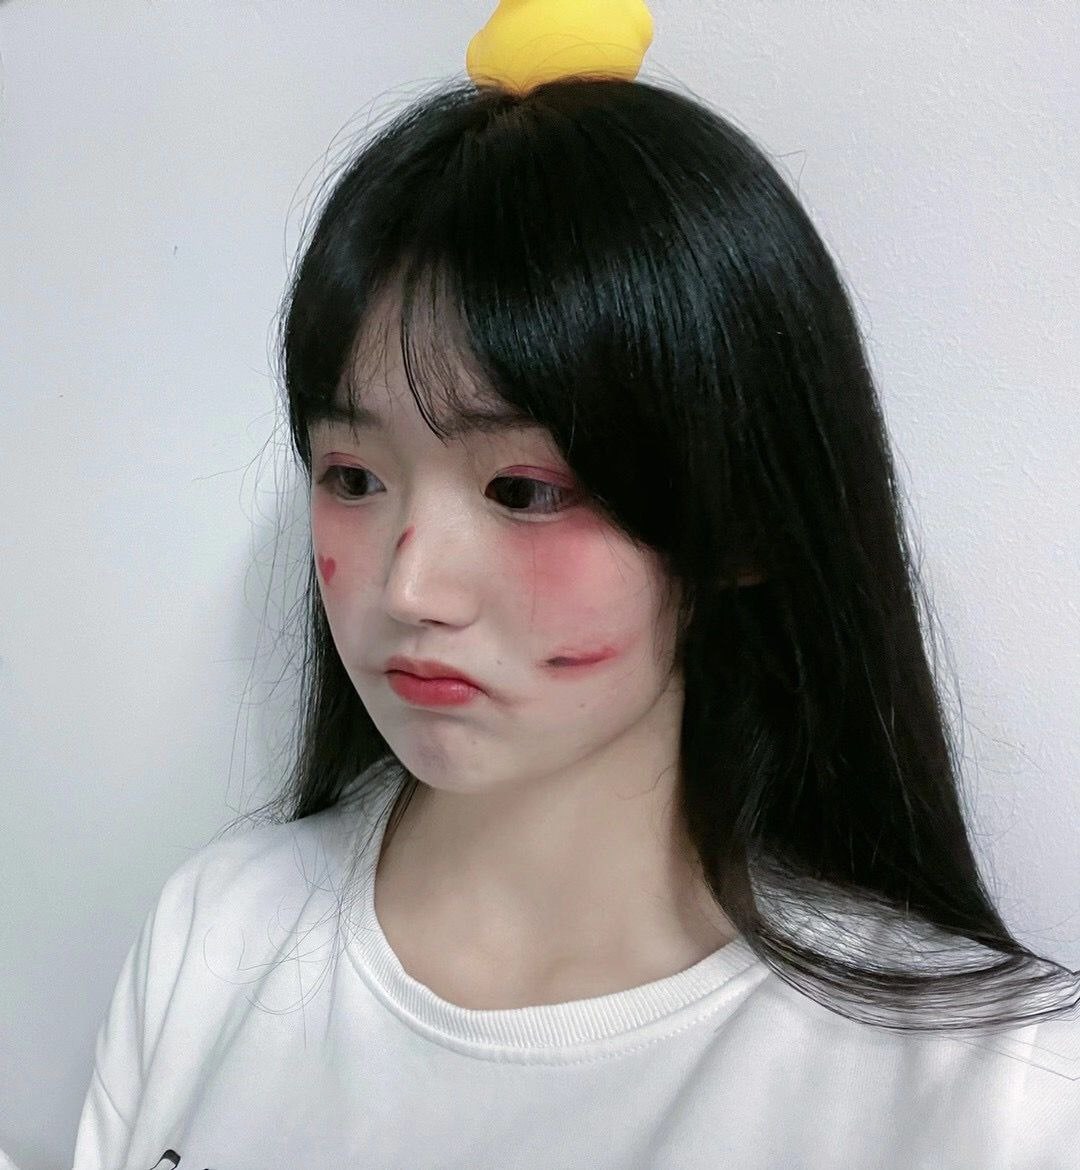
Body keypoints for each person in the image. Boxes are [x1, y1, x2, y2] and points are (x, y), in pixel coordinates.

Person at [72, 1, 1080, 1166]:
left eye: (525, 490)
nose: (411, 587)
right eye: (354, 476)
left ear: (744, 517)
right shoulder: (217, 935)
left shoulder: (995, 1095)